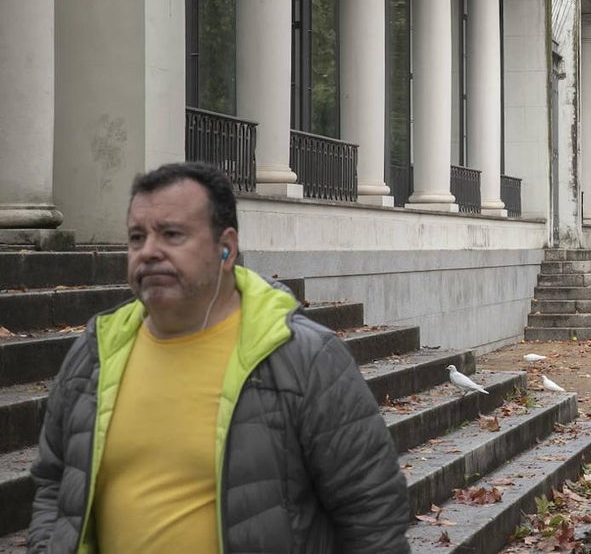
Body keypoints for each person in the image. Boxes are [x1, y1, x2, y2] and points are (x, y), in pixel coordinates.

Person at [28, 162, 411, 553]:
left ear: (226, 249)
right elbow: (53, 483)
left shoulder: (304, 358)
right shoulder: (95, 352)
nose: (149, 252)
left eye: (172, 235)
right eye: (136, 237)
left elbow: (373, 515)